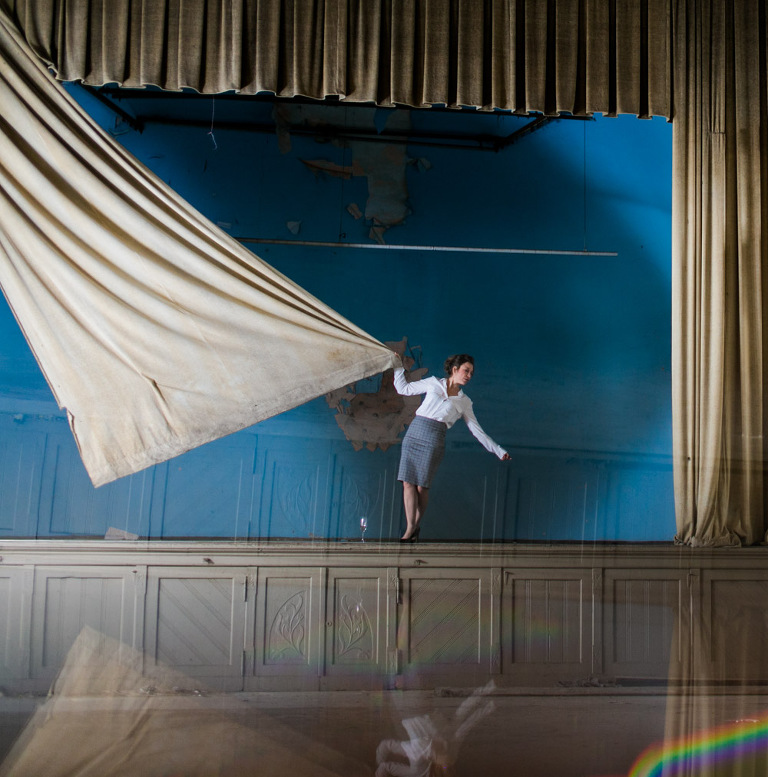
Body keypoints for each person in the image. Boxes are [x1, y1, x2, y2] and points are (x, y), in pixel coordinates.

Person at [393, 354, 509, 541]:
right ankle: (410, 528)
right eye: (466, 370)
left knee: (422, 486)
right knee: (407, 482)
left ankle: (415, 526)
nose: (469, 375)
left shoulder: (465, 402)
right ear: (455, 369)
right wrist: (397, 366)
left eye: (471, 372)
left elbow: (477, 431)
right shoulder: (432, 383)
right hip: (414, 433)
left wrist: (499, 450)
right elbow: (403, 388)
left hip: (434, 438)